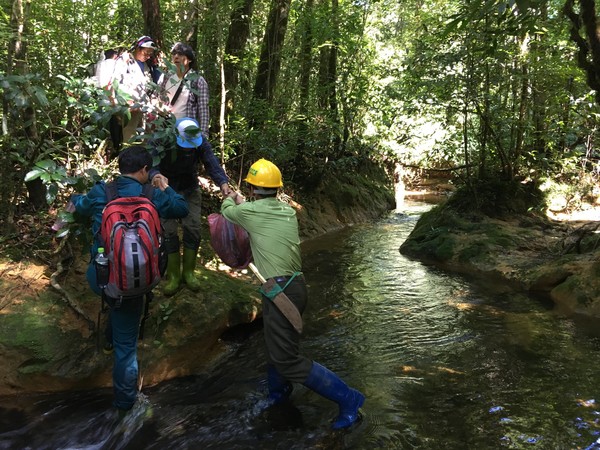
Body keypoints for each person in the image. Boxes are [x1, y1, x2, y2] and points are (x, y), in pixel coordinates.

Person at [220, 159, 365, 430]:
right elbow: (254, 213)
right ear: (277, 189)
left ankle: (349, 399)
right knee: (277, 348)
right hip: (293, 287)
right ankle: (278, 395)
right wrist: (244, 201)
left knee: (287, 360)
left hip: (280, 292)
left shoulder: (248, 211)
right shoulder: (286, 211)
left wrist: (230, 196)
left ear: (252, 189)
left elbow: (227, 211)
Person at [71, 145, 189, 415]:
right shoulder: (153, 194)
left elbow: (78, 209)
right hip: (139, 279)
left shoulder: (103, 191)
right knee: (128, 343)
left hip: (100, 277)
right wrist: (165, 187)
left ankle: (112, 335)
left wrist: (78, 199)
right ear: (145, 170)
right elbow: (181, 208)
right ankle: (125, 406)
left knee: (116, 297)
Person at [149, 117, 231, 295]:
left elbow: (211, 163)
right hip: (165, 189)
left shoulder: (200, 141)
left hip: (189, 187)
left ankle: (188, 272)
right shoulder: (161, 139)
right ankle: (173, 275)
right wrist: (155, 175)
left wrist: (222, 182)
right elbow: (150, 163)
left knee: (192, 227)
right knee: (168, 230)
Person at [112, 36, 162, 149]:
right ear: (138, 49)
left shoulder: (147, 66)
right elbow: (115, 83)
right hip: (130, 108)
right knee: (130, 140)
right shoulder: (125, 61)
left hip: (145, 109)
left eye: (150, 54)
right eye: (146, 53)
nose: (148, 56)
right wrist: (123, 102)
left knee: (145, 141)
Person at [156, 42, 210, 133]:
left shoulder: (198, 81)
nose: (176, 56)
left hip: (186, 131)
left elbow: (203, 111)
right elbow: (155, 97)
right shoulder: (165, 77)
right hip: (164, 128)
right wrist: (159, 107)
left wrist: (203, 135)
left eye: (180, 54)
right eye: (174, 54)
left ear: (189, 59)